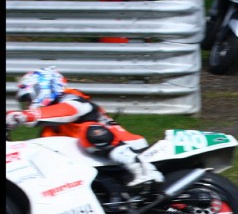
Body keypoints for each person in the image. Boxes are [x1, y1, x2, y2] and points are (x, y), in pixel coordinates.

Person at [5, 66, 164, 187]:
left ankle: (142, 169)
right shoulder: (49, 127)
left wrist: (27, 115)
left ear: (42, 88)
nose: (28, 105)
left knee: (90, 130)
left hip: (129, 147)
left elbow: (68, 111)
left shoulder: (73, 98)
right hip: (94, 165)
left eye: (28, 99)